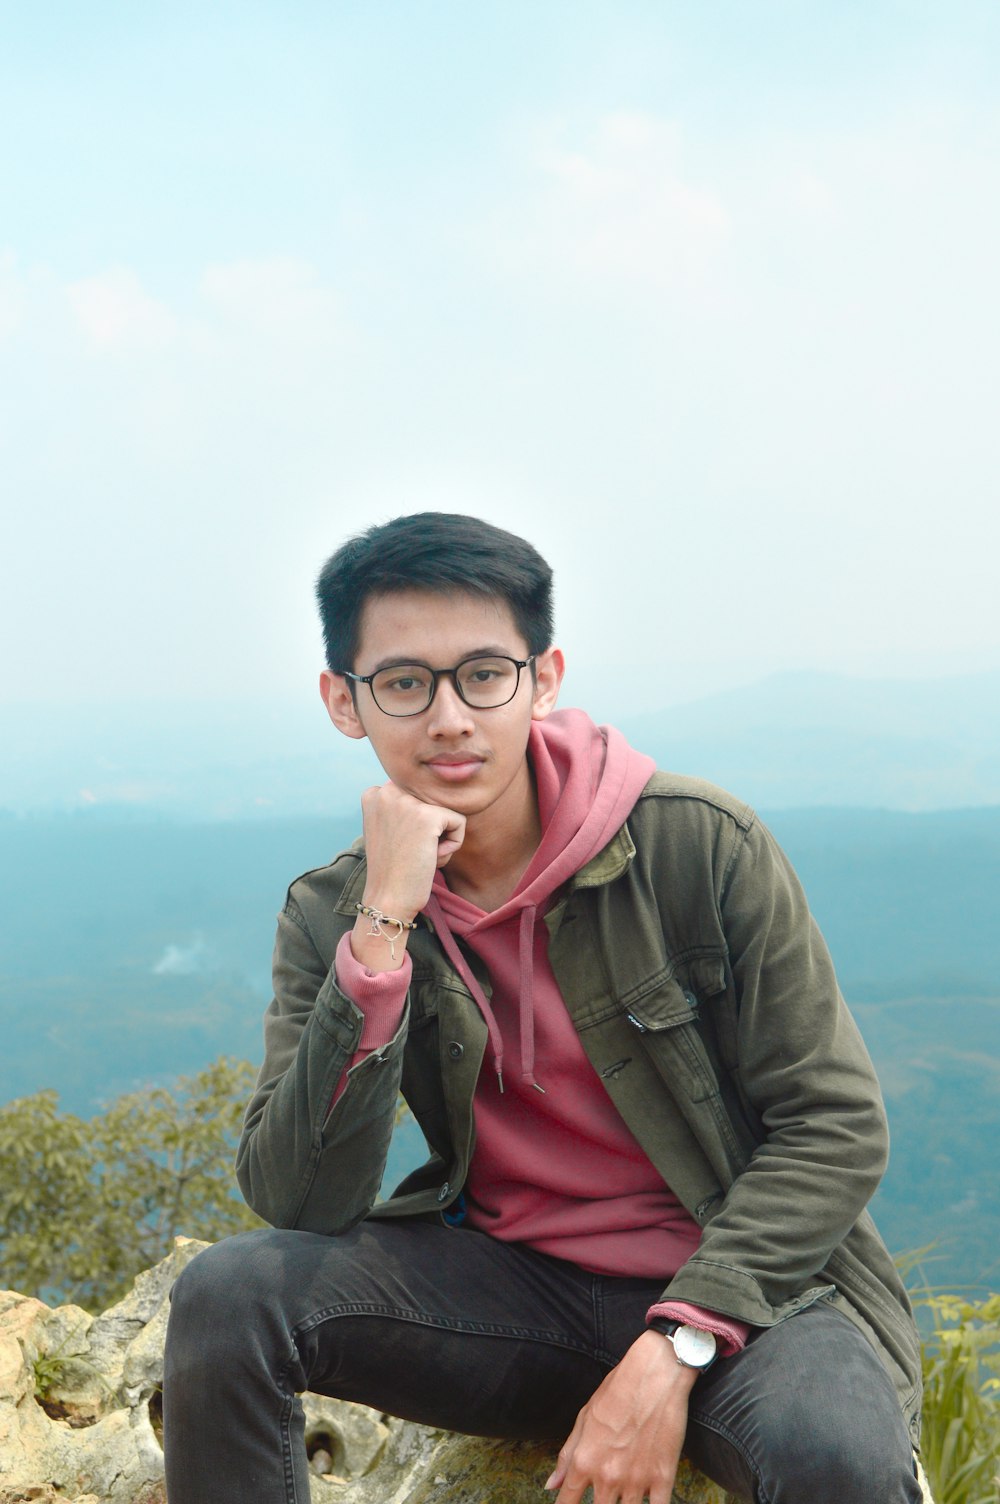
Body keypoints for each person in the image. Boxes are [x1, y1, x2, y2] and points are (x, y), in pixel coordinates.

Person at [163, 512, 924, 1504]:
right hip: (512, 1298)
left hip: (750, 1296)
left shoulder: (697, 845)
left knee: (838, 1460)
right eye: (403, 682)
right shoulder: (333, 910)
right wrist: (383, 927)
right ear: (342, 702)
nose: (448, 718)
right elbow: (301, 1200)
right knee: (229, 1296)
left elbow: (834, 1125)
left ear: (544, 676)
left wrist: (673, 1347)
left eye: (484, 673)